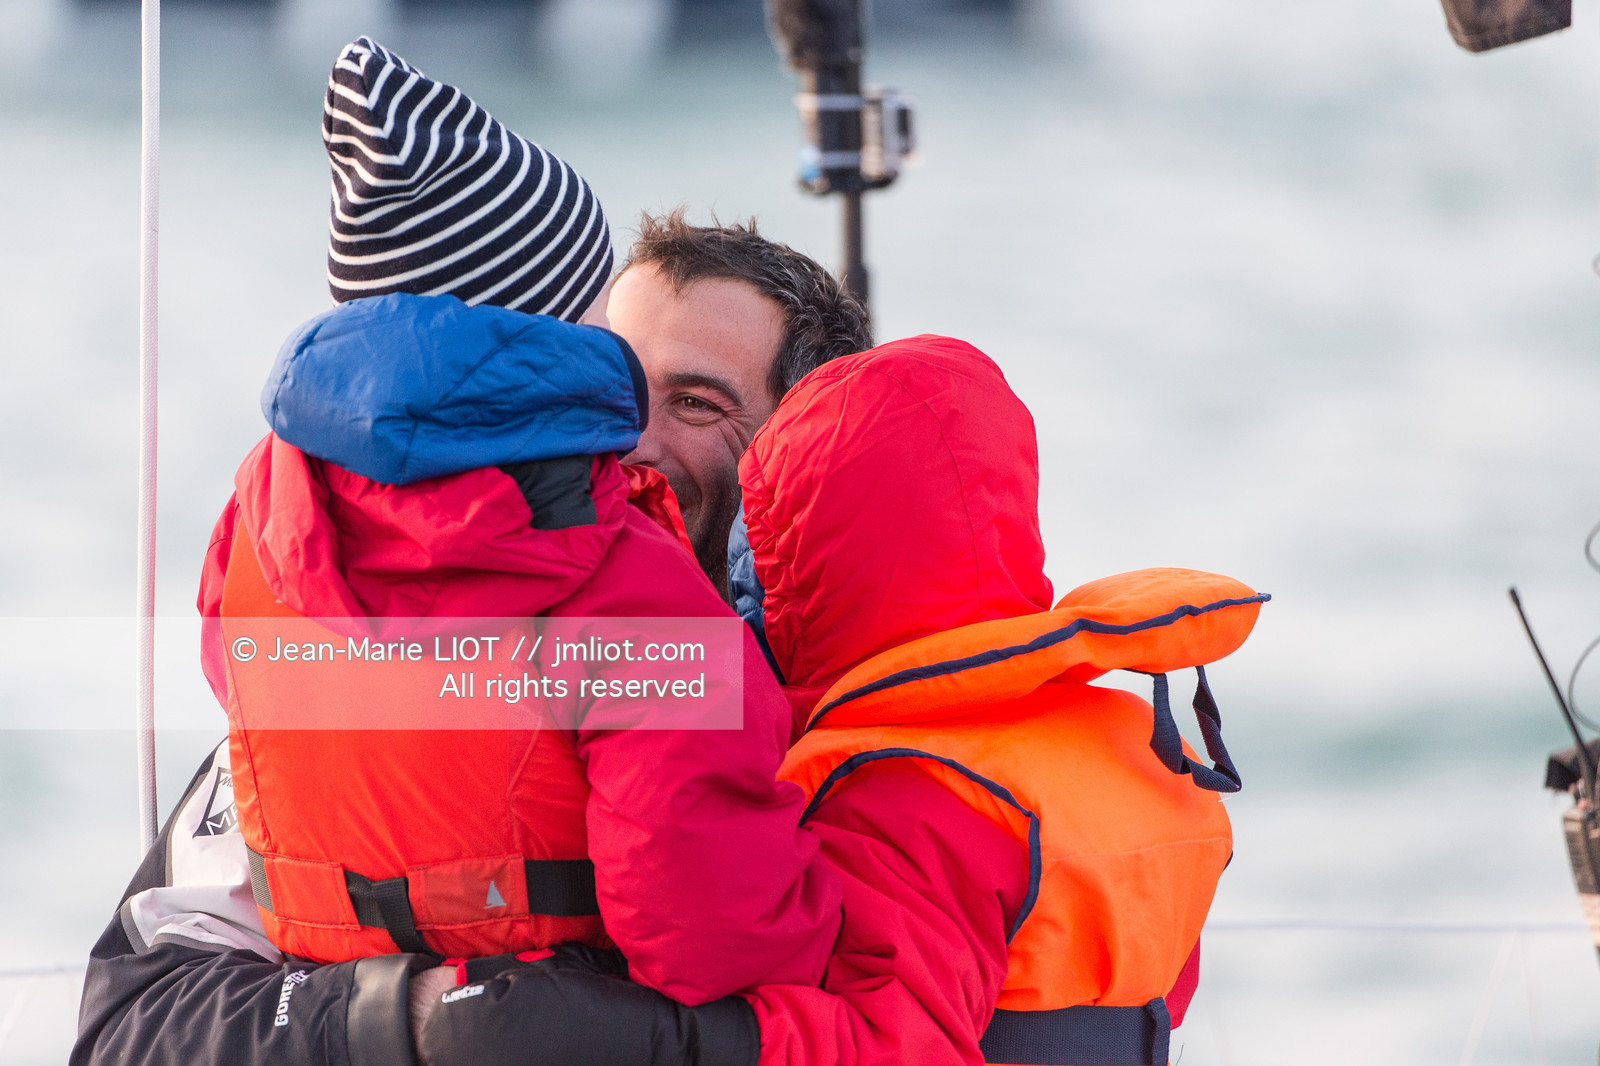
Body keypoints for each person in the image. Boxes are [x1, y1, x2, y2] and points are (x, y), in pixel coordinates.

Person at [70, 38, 867, 1066]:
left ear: (802, 447)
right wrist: (424, 1017)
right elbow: (135, 1015)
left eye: (697, 405)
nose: (630, 440)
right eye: (614, 380)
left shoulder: (278, 536)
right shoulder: (624, 597)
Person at [415, 336, 1265, 1066]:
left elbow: (896, 1047)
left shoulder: (907, 788)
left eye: (762, 549)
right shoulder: (1116, 738)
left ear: (803, 561)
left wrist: (630, 1031)